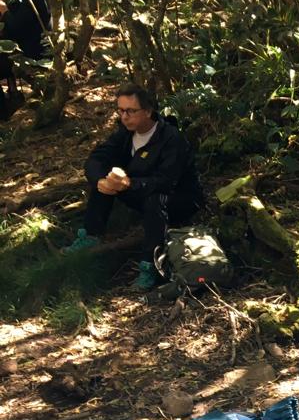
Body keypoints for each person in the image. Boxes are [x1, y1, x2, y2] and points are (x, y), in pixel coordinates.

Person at [68, 82, 204, 289]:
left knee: (154, 200)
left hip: (179, 199)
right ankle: (91, 234)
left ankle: (150, 265)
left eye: (131, 111)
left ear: (148, 111)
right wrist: (101, 181)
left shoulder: (170, 138)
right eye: (121, 111)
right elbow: (97, 158)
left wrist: (130, 184)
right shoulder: (124, 133)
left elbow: (166, 181)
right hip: (139, 190)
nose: (124, 117)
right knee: (106, 180)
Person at [0, 0, 50, 119]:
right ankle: (12, 93)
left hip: (33, 52)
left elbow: (16, 28)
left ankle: (4, 112)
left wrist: (4, 11)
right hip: (34, 46)